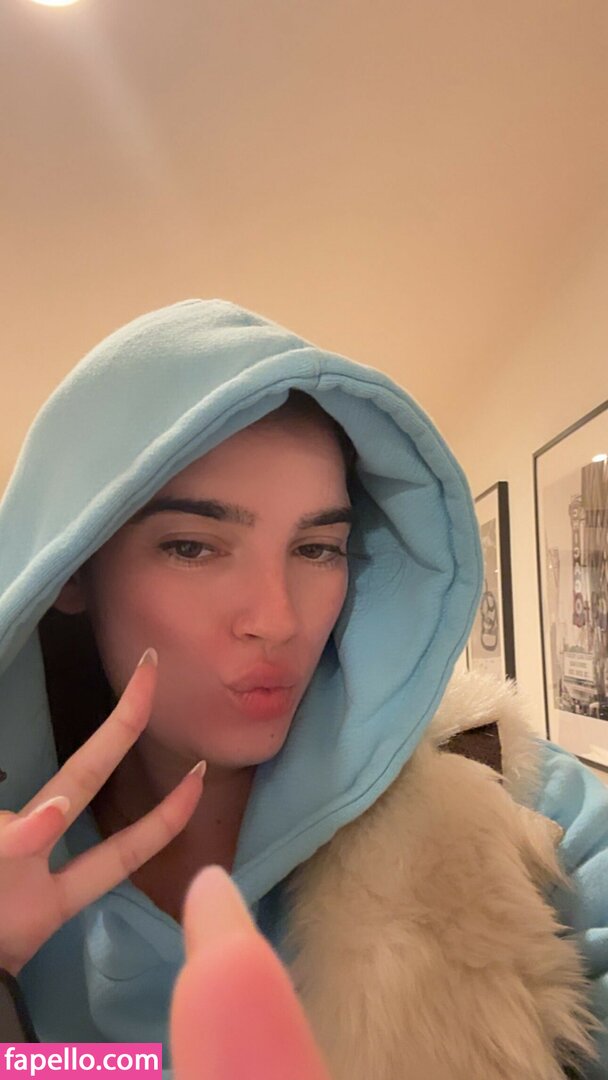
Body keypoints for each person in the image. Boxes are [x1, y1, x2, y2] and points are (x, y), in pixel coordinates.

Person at [0, 298, 606, 1079]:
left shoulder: (512, 800)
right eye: (193, 547)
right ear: (73, 568)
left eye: (318, 548)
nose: (277, 620)